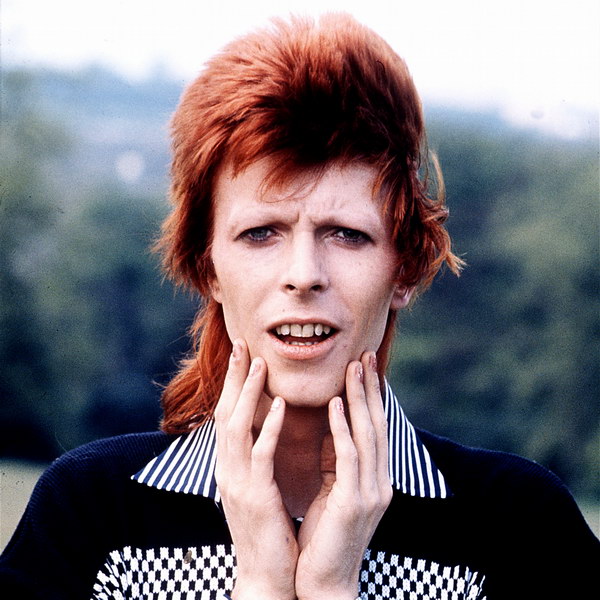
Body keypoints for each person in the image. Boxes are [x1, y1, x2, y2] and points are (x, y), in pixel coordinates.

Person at [1, 13, 597, 600]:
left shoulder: (519, 526)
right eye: (261, 233)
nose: (304, 275)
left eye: (347, 234)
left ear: (405, 269)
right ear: (208, 267)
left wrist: (333, 589)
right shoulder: (91, 515)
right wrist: (260, 587)